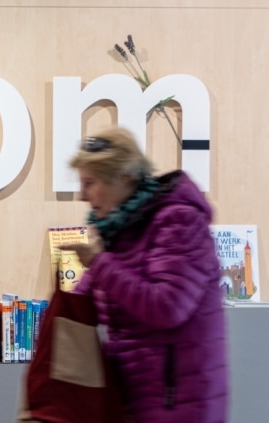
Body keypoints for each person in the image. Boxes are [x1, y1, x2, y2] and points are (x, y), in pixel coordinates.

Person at [59, 126, 228, 423]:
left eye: (90, 183)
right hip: (134, 395)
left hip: (177, 402)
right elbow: (87, 301)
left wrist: (98, 262)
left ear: (124, 177)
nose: (81, 196)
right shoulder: (116, 230)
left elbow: (168, 307)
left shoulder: (179, 220)